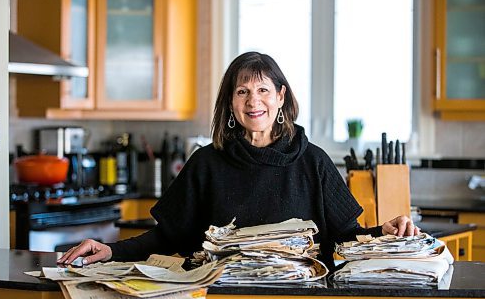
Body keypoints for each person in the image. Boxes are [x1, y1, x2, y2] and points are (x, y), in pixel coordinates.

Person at [58, 51, 419, 270]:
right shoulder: (206, 164)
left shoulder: (313, 162)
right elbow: (168, 237)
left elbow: (345, 238)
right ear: (231, 102)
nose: (253, 101)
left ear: (280, 97)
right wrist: (111, 250)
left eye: (263, 90)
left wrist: (382, 233)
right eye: (242, 91)